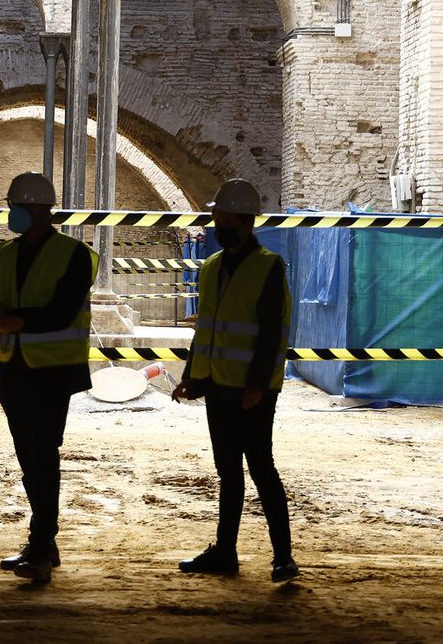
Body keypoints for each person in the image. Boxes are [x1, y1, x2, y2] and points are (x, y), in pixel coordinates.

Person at [171, 178, 298, 582]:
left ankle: (283, 558)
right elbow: (205, 330)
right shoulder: (210, 267)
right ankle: (225, 552)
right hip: (217, 385)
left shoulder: (268, 267)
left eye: (221, 219)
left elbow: (271, 333)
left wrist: (257, 386)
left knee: (262, 468)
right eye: (214, 218)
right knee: (229, 471)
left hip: (252, 391)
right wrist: (191, 377)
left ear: (244, 223)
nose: (215, 225)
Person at [0, 171, 95, 584]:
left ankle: (41, 547)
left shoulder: (74, 255)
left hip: (52, 373)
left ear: (43, 210)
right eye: (12, 207)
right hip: (14, 370)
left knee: (43, 459)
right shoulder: (5, 254)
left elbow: (62, 311)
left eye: (20, 208)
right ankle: (44, 543)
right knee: (30, 460)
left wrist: (15, 320)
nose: (14, 214)